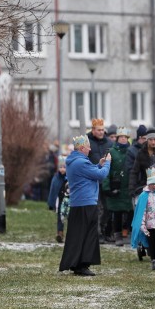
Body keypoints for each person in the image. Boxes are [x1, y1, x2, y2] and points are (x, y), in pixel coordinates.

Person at [59, 135, 112, 276]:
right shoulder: (81, 163)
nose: (90, 149)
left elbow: (89, 173)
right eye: (88, 147)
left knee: (77, 235)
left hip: (79, 204)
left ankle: (76, 264)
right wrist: (107, 163)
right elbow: (100, 175)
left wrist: (98, 165)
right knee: (88, 235)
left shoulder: (74, 161)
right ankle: (82, 265)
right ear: (82, 148)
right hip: (86, 204)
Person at [131, 166, 155, 270]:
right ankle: (153, 259)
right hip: (149, 225)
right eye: (152, 183)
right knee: (150, 243)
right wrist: (142, 225)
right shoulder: (144, 195)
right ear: (149, 183)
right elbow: (141, 211)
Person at [101, 127, 132, 246]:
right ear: (118, 138)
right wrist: (107, 187)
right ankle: (117, 234)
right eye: (121, 137)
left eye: (125, 137)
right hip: (116, 185)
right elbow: (106, 169)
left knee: (130, 211)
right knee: (117, 213)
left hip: (128, 185)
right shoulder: (111, 152)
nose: (123, 139)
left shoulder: (131, 151)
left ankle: (127, 232)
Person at [87, 118, 114, 243]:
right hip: (92, 179)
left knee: (107, 207)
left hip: (106, 179)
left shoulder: (109, 143)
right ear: (93, 130)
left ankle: (104, 229)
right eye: (98, 130)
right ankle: (96, 233)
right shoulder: (87, 142)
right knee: (96, 207)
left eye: (103, 130)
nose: (101, 132)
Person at [48, 155, 68, 243]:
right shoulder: (56, 178)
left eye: (64, 167)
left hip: (68, 200)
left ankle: (71, 234)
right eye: (61, 167)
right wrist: (51, 203)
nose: (62, 169)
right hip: (59, 201)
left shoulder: (70, 178)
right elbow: (53, 191)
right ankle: (60, 233)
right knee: (60, 217)